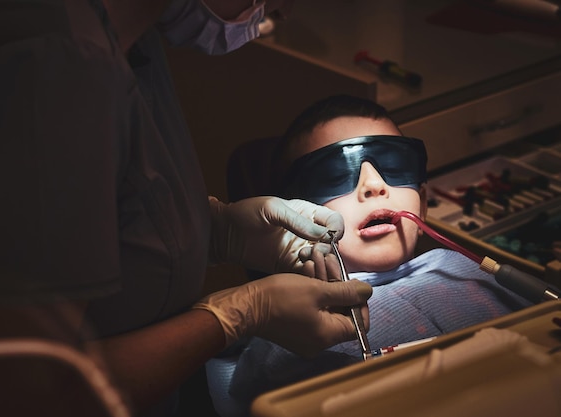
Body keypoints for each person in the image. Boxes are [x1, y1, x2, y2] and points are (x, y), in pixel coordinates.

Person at [0, 2, 373, 417]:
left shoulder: (130, 32)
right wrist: (237, 315)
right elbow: (19, 397)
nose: (285, 9)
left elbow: (81, 209)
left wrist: (218, 231)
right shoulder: (51, 63)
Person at [205, 94, 535, 417]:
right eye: (334, 173)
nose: (374, 185)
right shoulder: (293, 329)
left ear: (422, 201)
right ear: (294, 216)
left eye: (394, 164)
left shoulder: (467, 272)